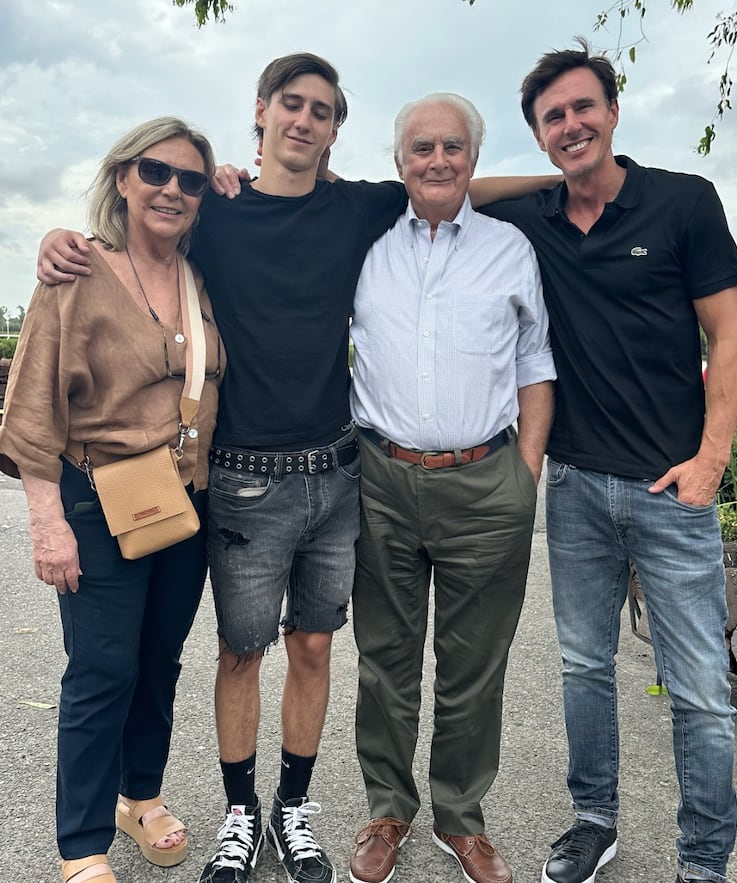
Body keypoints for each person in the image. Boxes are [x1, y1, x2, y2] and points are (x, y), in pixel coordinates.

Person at [35, 53, 556, 883]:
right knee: (239, 653)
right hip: (241, 475)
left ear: (336, 129)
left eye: (321, 110)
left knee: (313, 648)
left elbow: (448, 184)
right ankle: (242, 815)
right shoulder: (216, 209)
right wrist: (67, 239)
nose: (305, 120)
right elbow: (144, 228)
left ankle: (296, 808)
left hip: (337, 471)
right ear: (263, 111)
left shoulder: (357, 208)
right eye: (291, 104)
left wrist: (573, 173)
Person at [479, 40, 737, 883]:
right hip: (576, 485)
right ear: (537, 134)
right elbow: (437, 189)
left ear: (613, 110)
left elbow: (729, 336)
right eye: (552, 117)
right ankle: (593, 819)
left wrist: (710, 462)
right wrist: (544, 179)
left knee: (700, 691)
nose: (570, 125)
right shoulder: (536, 218)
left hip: (673, 487)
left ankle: (702, 861)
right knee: (584, 667)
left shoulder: (683, 202)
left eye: (582, 107)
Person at [0, 117, 222, 883]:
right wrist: (47, 521)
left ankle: (140, 795)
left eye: (191, 180)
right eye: (156, 172)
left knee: (158, 662)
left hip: (184, 504)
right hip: (97, 501)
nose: (172, 190)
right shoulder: (77, 271)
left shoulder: (202, 277)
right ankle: (82, 844)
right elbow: (31, 407)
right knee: (100, 670)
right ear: (122, 177)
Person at [348, 93, 555, 883]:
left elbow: (535, 363)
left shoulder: (509, 249)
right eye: (421, 148)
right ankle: (386, 808)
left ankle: (460, 816)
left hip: (485, 482)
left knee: (475, 664)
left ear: (473, 157)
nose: (437, 160)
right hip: (382, 478)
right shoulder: (363, 244)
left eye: (453, 147)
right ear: (398, 161)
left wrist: (522, 474)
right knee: (385, 658)